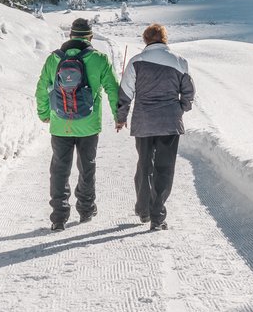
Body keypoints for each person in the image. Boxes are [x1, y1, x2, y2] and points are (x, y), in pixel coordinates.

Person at [35, 17, 122, 231]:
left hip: (60, 124)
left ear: (70, 36)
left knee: (59, 169)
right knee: (87, 167)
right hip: (88, 125)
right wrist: (119, 116)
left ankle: (58, 216)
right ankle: (85, 208)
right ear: (90, 37)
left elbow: (41, 89)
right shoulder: (99, 59)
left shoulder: (54, 59)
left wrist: (44, 114)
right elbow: (113, 89)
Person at [115, 23, 195, 231]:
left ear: (145, 40)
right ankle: (157, 216)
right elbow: (188, 92)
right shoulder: (179, 61)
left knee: (144, 164)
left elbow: (125, 94)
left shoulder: (135, 62)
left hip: (143, 122)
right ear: (164, 39)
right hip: (170, 122)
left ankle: (143, 209)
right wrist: (181, 108)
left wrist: (121, 118)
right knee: (164, 168)